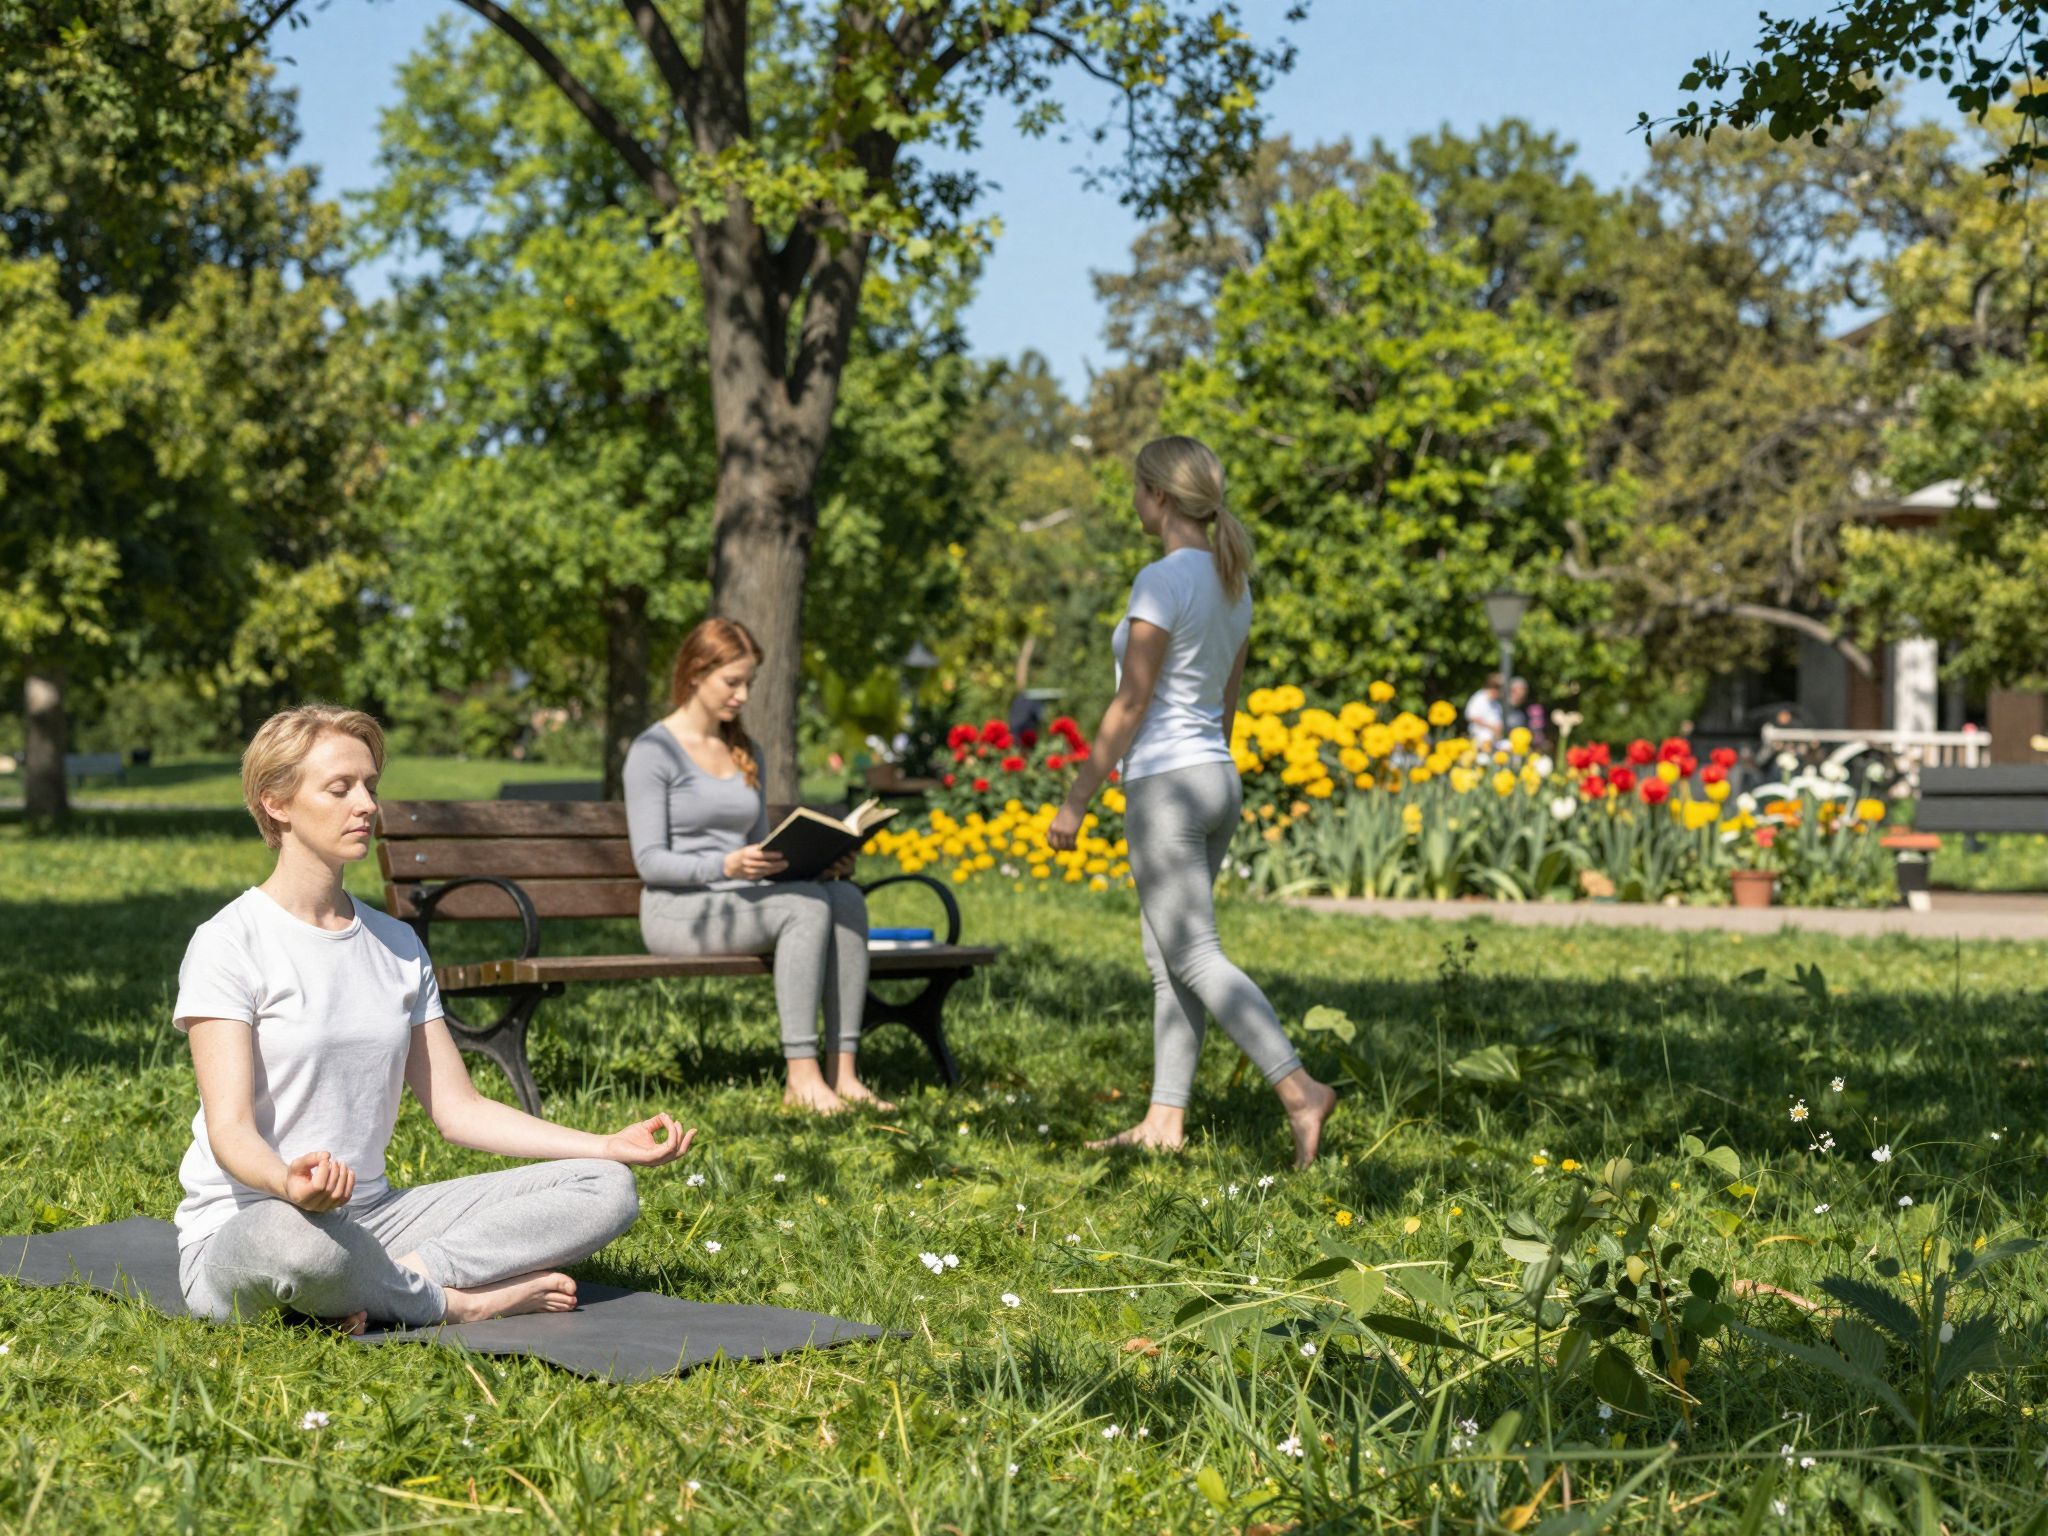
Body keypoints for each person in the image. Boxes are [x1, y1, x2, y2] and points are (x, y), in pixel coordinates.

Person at [176, 705, 692, 1333]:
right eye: (340, 789)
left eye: (370, 786)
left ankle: (391, 1282)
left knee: (606, 1188)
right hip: (255, 1223)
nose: (365, 804)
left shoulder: (395, 943)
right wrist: (289, 1184)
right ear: (276, 803)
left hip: (379, 1221)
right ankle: (452, 1303)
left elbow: (459, 1110)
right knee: (297, 1246)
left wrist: (605, 1145)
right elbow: (230, 1132)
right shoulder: (229, 942)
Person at [1048, 436, 1338, 1168]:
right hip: (1216, 776)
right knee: (1168, 956)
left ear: (1161, 498)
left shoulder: (1160, 579)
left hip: (1166, 787)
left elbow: (1133, 699)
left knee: (1196, 954)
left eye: (1136, 491)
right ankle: (1163, 1119)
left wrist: (1077, 799)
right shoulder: (1233, 579)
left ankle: (1300, 1090)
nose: (1134, 503)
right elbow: (1226, 700)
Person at [625, 618, 890, 1116]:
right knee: (805, 907)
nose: (743, 695)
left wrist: (820, 862)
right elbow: (649, 862)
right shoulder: (652, 751)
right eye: (732, 682)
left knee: (845, 897)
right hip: (677, 912)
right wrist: (725, 864)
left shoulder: (746, 750)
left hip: (741, 903)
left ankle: (845, 1073)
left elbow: (757, 853)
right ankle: (802, 1077)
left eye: (749, 683)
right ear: (696, 674)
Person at [1464, 673, 1504, 752]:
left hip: (1494, 739)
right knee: (1486, 737)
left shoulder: (1496, 704)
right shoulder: (1479, 698)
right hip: (1479, 736)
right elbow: (1472, 716)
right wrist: (1491, 727)